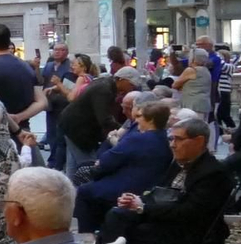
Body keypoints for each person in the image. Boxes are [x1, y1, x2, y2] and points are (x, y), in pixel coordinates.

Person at [98, 112, 231, 244]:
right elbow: (160, 192)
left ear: (198, 141)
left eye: (178, 139)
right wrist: (136, 200)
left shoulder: (213, 172)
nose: (173, 145)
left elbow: (190, 212)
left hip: (191, 231)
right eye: (171, 139)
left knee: (123, 229)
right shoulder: (178, 163)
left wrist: (142, 207)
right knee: (117, 214)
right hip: (167, 220)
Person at [74, 98, 174, 232]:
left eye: (139, 116)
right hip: (150, 185)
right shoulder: (167, 139)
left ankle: (87, 234)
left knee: (85, 189)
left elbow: (107, 161)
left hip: (128, 186)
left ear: (150, 119)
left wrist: (100, 165)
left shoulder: (138, 138)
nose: (136, 120)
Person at [58, 69, 122, 175]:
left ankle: (72, 188)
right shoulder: (104, 90)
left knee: (73, 165)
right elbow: (104, 118)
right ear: (122, 80)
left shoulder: (104, 84)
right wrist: (123, 129)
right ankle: (83, 188)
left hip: (71, 124)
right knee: (87, 165)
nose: (131, 87)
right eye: (131, 84)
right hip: (78, 128)